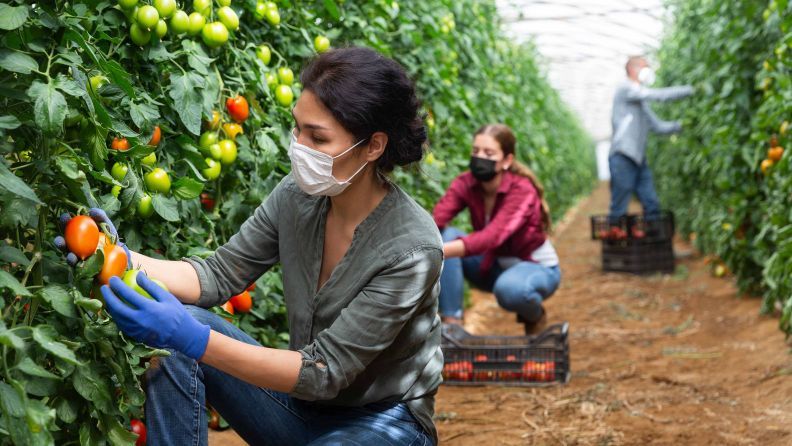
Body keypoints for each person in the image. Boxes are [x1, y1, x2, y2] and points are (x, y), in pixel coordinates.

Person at [58, 47, 443, 446]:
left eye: (318, 137)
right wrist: (113, 253)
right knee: (182, 337)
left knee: (189, 334)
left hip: (383, 423)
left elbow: (325, 370)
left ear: (373, 146)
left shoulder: (412, 249)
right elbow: (218, 275)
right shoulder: (297, 196)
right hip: (298, 407)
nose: (299, 145)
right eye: (298, 128)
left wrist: (194, 338)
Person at [432, 124, 560, 335]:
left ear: (507, 160)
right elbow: (437, 219)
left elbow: (493, 237)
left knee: (510, 290)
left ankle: (534, 315)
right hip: (493, 265)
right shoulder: (466, 183)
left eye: (489, 153)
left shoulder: (522, 191)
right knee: (444, 235)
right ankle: (452, 325)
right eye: (475, 151)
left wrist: (436, 251)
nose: (480, 157)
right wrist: (415, 243)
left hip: (537, 267)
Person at [608, 55, 694, 219]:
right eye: (645, 67)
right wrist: (690, 90)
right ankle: (616, 241)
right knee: (619, 207)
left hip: (639, 159)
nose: (649, 71)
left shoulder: (640, 102)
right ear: (633, 69)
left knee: (651, 203)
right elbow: (657, 95)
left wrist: (683, 125)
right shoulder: (625, 89)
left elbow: (658, 126)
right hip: (623, 156)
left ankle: (653, 242)